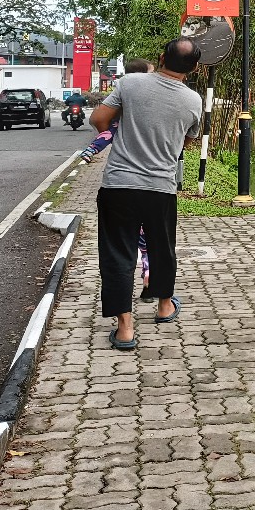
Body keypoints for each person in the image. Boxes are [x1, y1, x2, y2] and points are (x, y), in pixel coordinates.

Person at [91, 38, 203, 350]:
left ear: (161, 56)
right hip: (160, 188)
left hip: (118, 186)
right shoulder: (193, 101)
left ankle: (125, 328)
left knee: (117, 254)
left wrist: (126, 126)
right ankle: (164, 306)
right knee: (162, 249)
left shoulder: (131, 83)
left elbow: (98, 120)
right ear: (195, 68)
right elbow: (187, 141)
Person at [80, 59, 155, 293]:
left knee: (121, 243)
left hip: (120, 183)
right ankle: (148, 272)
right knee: (146, 235)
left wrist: (90, 151)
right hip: (152, 181)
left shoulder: (121, 112)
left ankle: (122, 303)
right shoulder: (151, 105)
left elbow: (103, 130)